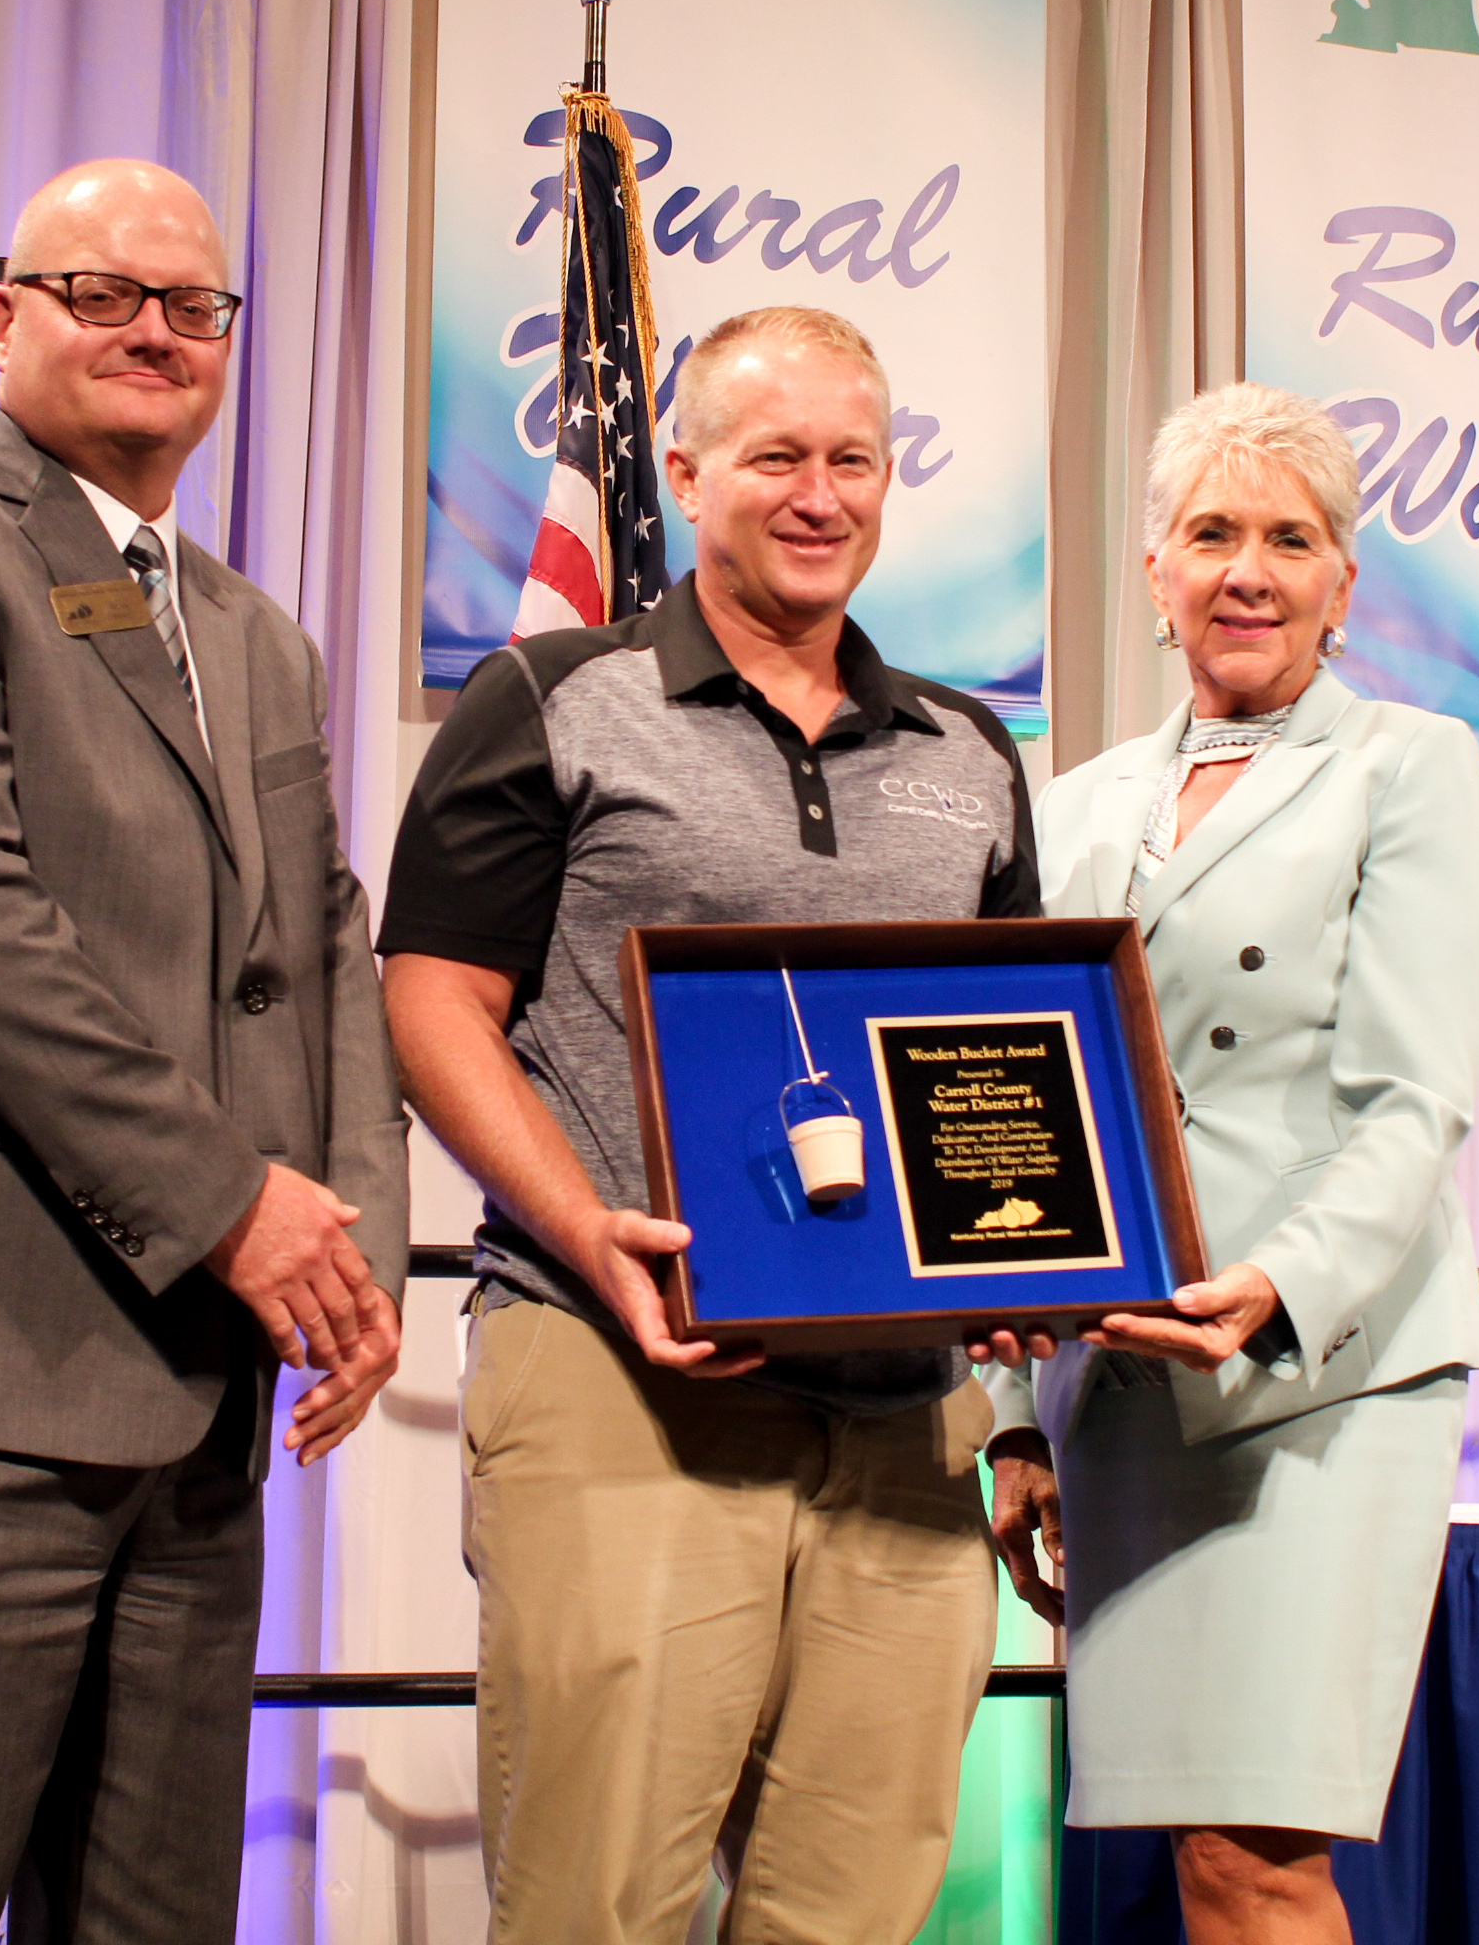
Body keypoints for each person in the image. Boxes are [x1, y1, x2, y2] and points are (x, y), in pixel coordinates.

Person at [0, 158, 409, 1944]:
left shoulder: (255, 634)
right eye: (104, 293)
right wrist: (228, 1206)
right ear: (4, 318)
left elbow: (321, 946)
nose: (156, 333)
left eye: (194, 307)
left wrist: (355, 1238)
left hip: (193, 1400)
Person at [378, 305, 1038, 1944]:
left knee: (852, 1911)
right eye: (774, 458)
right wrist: (592, 1242)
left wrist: (1031, 1276)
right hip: (623, 1374)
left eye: (853, 460)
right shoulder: (547, 694)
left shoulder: (972, 749)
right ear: (682, 472)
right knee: (598, 1905)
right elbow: (432, 1005)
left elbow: (1011, 1064)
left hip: (905, 1415)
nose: (819, 495)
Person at [977, 383, 1479, 1943]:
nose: (1247, 570)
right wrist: (1014, 1416)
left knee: (1260, 1855)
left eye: (1291, 538)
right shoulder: (1068, 808)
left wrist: (1268, 1294)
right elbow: (1015, 1124)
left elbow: (1414, 1103)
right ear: (1155, 572)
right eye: (1211, 533)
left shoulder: (1410, 765)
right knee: (1191, 1854)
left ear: (1345, 580)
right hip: (1123, 1398)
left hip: (1319, 1382)